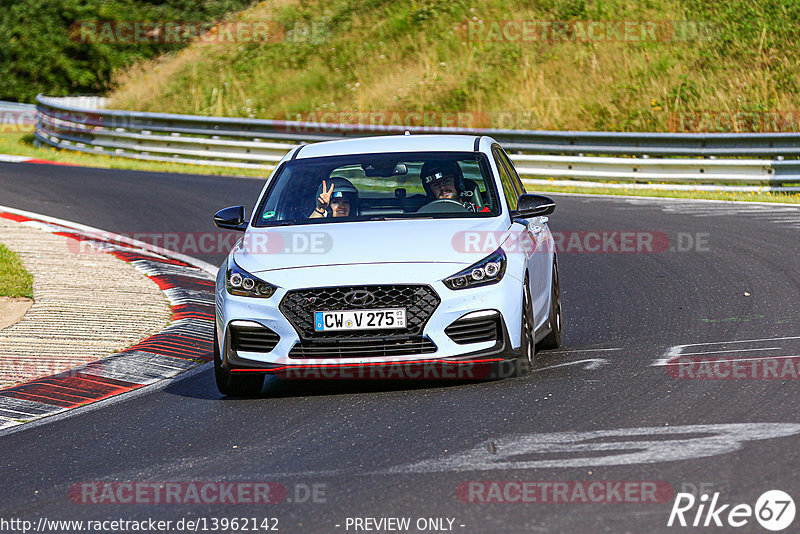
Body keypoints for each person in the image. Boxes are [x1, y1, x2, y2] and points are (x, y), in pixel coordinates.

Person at [419, 161, 490, 212]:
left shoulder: (481, 213)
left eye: (447, 181)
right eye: (436, 185)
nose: (442, 187)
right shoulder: (422, 216)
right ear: (430, 191)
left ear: (458, 183)